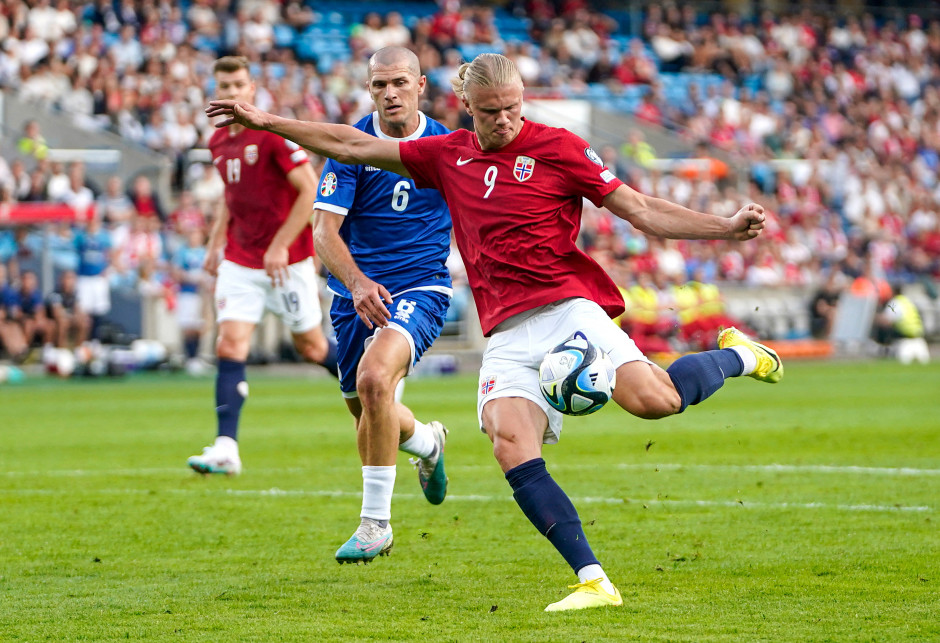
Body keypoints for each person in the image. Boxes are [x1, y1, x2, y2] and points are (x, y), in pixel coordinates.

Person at [206, 52, 783, 612]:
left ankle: (738, 356)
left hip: (567, 310)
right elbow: (354, 145)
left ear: (522, 100)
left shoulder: (560, 147)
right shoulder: (446, 155)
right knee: (508, 443)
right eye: (489, 111)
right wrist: (268, 122)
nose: (503, 120)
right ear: (465, 106)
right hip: (505, 332)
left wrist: (726, 228)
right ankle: (593, 579)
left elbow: (641, 210)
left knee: (657, 401)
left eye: (511, 107)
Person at [311, 47, 453, 564]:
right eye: (378, 85)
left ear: (420, 86)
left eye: (398, 82)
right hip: (357, 295)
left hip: (421, 288)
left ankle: (376, 525)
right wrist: (356, 281)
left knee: (374, 382)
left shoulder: (448, 147)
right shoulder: (352, 146)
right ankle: (428, 444)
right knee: (367, 409)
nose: (388, 93)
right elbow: (324, 231)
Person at [187, 56, 339, 477]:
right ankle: (226, 447)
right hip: (241, 259)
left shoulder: (272, 135)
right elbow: (231, 196)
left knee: (312, 348)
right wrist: (217, 241)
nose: (232, 93)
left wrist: (278, 245)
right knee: (229, 344)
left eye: (239, 85)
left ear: (251, 89)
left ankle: (373, 379)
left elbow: (310, 191)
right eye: (224, 85)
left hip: (286, 261)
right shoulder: (218, 140)